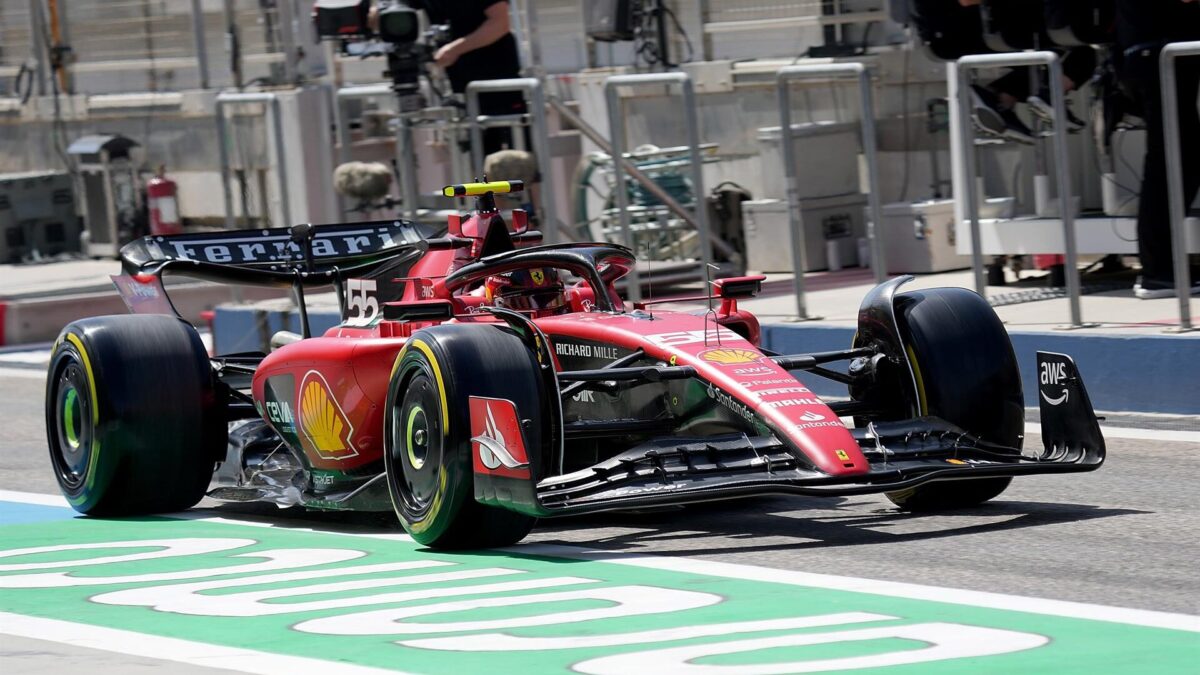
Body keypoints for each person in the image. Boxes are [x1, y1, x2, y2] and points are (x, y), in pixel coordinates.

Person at [1114, 0, 1200, 298]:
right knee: (1171, 163)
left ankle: (1162, 268)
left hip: (1155, 56)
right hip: (1158, 59)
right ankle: (1158, 270)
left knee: (1177, 162)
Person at [415, 0, 526, 158]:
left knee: (516, 164)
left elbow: (500, 22)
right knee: (481, 167)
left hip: (499, 87)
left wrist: (454, 49)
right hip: (464, 92)